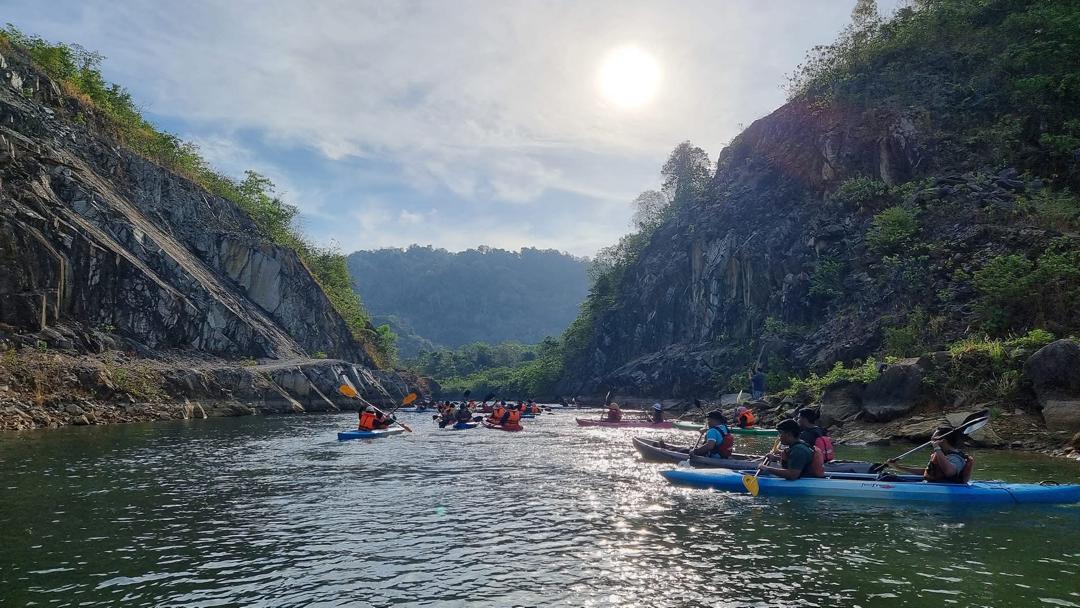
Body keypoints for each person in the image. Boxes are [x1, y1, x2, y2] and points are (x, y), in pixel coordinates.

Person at [887, 426, 973, 484]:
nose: (931, 441)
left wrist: (937, 448)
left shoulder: (956, 458)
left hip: (947, 489)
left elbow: (950, 472)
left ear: (942, 440)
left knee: (887, 479)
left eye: (933, 439)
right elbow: (929, 472)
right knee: (887, 478)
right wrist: (898, 467)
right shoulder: (944, 455)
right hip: (934, 485)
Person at [760, 419, 825, 480]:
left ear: (789, 434)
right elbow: (795, 460)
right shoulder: (797, 445)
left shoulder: (798, 450)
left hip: (805, 482)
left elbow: (792, 475)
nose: (779, 437)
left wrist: (767, 469)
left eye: (780, 433)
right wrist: (775, 458)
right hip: (804, 478)